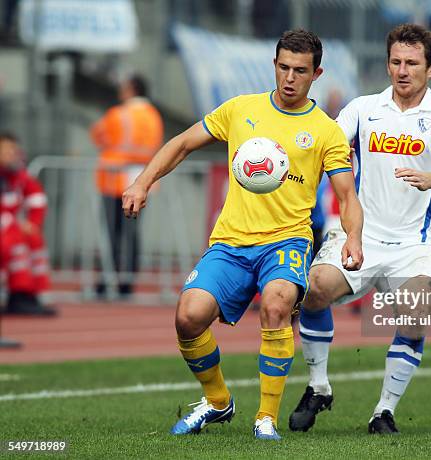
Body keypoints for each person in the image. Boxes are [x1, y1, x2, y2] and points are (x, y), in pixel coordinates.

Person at [121, 29, 364, 440]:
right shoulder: (240, 109)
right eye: (284, 67)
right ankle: (218, 401)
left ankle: (265, 417)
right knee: (188, 317)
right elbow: (182, 144)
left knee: (277, 304)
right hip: (231, 242)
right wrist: (143, 182)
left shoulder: (326, 131)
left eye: (300, 71)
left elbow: (346, 193)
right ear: (274, 65)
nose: (289, 78)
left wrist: (353, 237)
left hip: (287, 241)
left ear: (316, 73)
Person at [289, 23, 431, 434]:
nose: (402, 70)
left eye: (412, 63)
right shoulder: (362, 109)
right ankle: (318, 387)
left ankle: (383, 411)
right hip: (361, 234)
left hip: (416, 243)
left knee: (414, 313)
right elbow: (325, 149)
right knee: (314, 289)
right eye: (395, 62)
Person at [91, 74, 163, 297]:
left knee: (111, 232)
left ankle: (106, 279)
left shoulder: (118, 114)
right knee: (132, 233)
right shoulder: (153, 116)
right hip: (140, 180)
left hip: (114, 180)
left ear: (132, 89)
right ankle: (127, 281)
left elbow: (97, 135)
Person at [0, 132, 55, 315]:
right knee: (14, 243)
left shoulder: (18, 175)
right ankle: (18, 295)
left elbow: (37, 199)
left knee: (33, 239)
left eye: (13, 150)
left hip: (8, 226)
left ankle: (30, 294)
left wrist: (33, 223)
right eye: (7, 150)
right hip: (6, 228)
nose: (11, 154)